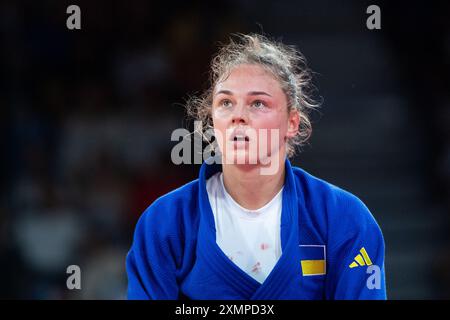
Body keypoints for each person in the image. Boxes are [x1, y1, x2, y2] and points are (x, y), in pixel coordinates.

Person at [126, 33, 386, 299]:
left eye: (258, 103)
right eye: (226, 102)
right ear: (212, 120)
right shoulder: (165, 222)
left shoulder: (343, 217)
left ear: (292, 123)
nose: (238, 115)